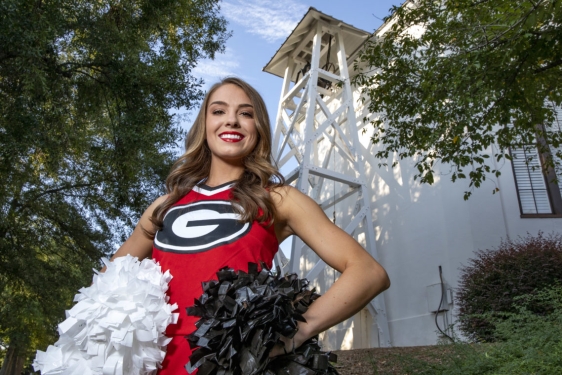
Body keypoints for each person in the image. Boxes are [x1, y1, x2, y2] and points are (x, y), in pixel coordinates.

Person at [108, 77, 390, 374]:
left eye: (245, 113)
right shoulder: (163, 206)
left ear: (259, 128)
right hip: (155, 365)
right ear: (204, 125)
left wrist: (295, 334)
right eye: (218, 111)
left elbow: (368, 273)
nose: (231, 120)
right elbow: (108, 283)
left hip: (230, 366)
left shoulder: (278, 199)